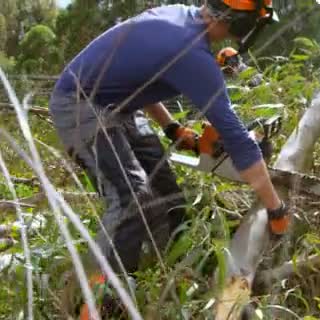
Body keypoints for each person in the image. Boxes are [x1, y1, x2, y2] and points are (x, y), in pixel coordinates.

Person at [48, 1, 288, 317]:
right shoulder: (192, 53)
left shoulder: (181, 18)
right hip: (80, 106)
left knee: (167, 192)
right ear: (242, 24)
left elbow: (142, 77)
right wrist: (275, 208)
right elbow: (237, 139)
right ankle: (94, 302)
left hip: (118, 105)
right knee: (132, 200)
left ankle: (166, 264)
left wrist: (172, 127)